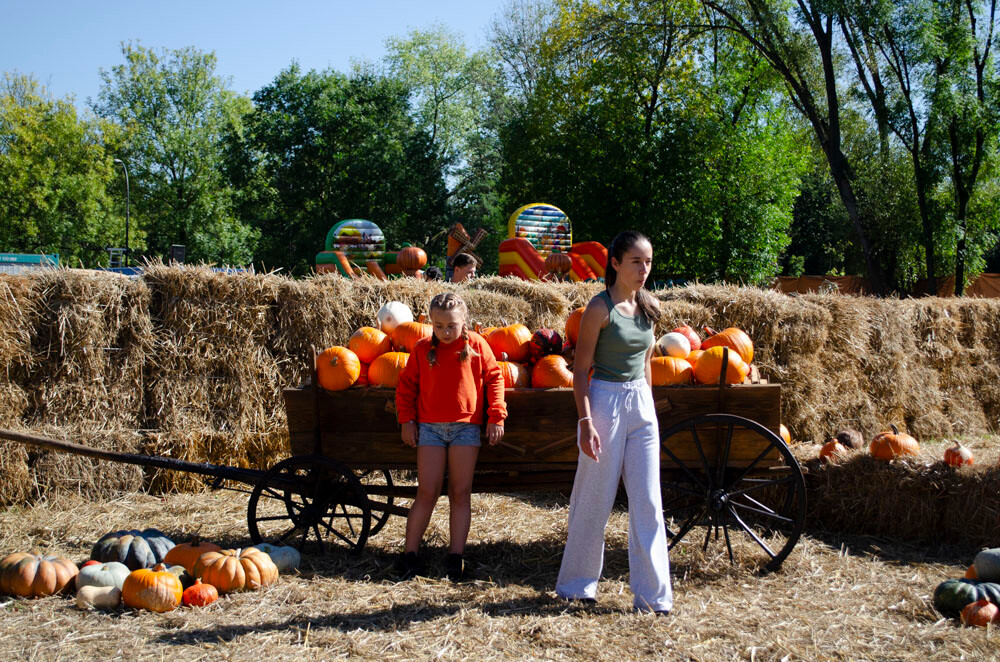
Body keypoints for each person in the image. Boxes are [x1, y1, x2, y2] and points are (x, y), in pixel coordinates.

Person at [555, 230, 672, 614]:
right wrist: (586, 422)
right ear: (616, 263)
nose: (643, 269)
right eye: (636, 261)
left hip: (640, 404)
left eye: (649, 261)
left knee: (649, 503)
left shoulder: (650, 306)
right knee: (594, 498)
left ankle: (654, 598)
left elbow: (647, 364)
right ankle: (577, 586)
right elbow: (580, 371)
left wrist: (648, 409)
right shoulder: (598, 309)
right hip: (603, 402)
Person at [395, 292, 506, 580]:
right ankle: (410, 554)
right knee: (427, 491)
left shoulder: (478, 345)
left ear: (464, 322)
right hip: (430, 428)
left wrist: (496, 415)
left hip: (466, 428)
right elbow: (406, 386)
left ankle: (455, 556)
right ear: (430, 323)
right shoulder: (421, 348)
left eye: (451, 326)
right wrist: (406, 419)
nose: (445, 332)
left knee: (460, 492)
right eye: (439, 325)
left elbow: (495, 378)